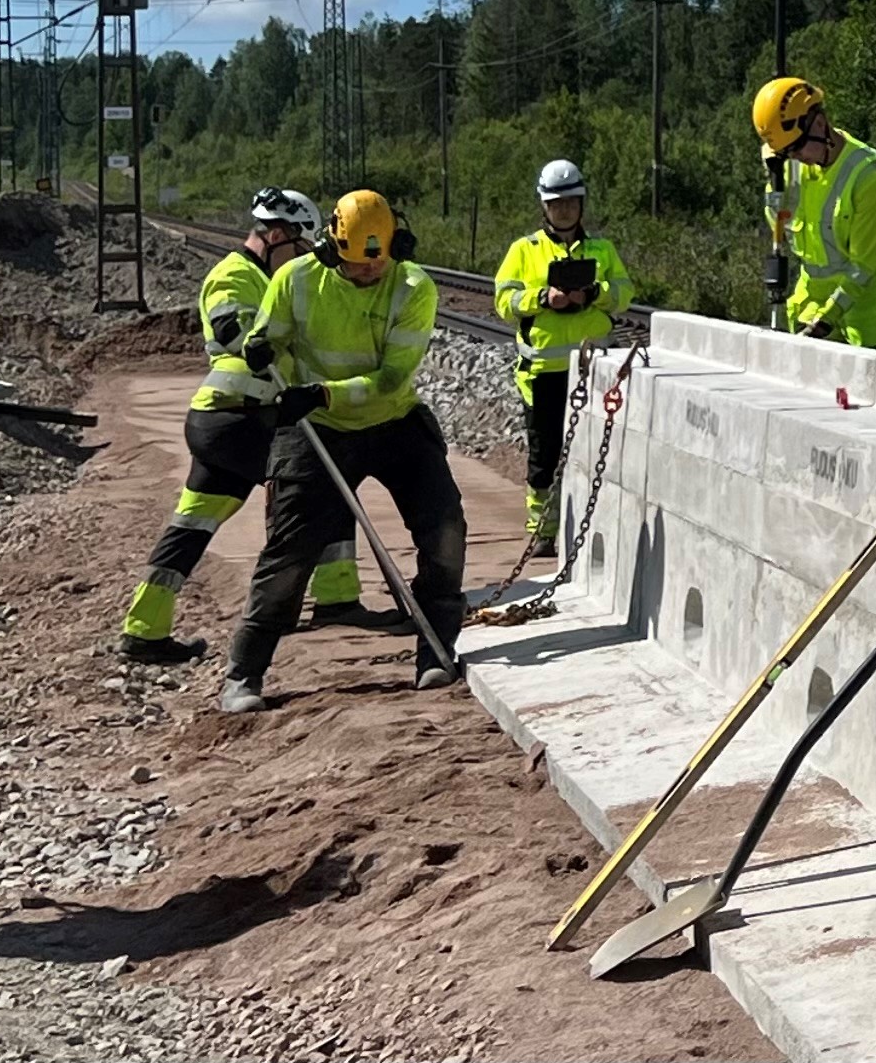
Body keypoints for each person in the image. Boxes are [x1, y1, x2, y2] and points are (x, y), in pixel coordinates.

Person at [221, 190, 465, 711]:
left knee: (444, 529)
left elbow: (392, 378)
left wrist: (325, 391)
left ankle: (436, 654)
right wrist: (260, 347)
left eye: (374, 267)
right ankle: (244, 675)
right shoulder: (296, 280)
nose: (365, 276)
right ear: (332, 249)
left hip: (393, 420)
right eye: (354, 267)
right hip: (318, 427)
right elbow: (270, 339)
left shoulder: (413, 287)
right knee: (289, 549)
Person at [114, 187, 345, 664]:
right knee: (320, 485)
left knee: (192, 526)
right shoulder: (234, 274)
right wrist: (255, 340)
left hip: (228, 423)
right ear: (277, 234)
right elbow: (231, 327)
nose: (302, 258)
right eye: (299, 248)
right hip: (239, 418)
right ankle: (332, 599)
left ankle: (143, 629)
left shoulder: (270, 276)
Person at [491, 159, 632, 555]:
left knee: (597, 450)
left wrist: (594, 293)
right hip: (544, 372)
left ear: (581, 203)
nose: (564, 209)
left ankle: (594, 525)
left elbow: (624, 293)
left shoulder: (602, 249)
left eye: (571, 202)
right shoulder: (524, 250)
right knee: (545, 454)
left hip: (595, 370)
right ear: (544, 207)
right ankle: (543, 531)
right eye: (557, 203)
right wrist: (542, 299)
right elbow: (503, 300)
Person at [752, 76, 876, 353]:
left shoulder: (867, 178)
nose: (794, 156)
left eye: (797, 146)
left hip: (871, 307)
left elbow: (862, 266)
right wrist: (773, 186)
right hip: (813, 301)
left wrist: (825, 321)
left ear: (818, 124)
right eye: (785, 152)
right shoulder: (791, 169)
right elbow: (782, 227)